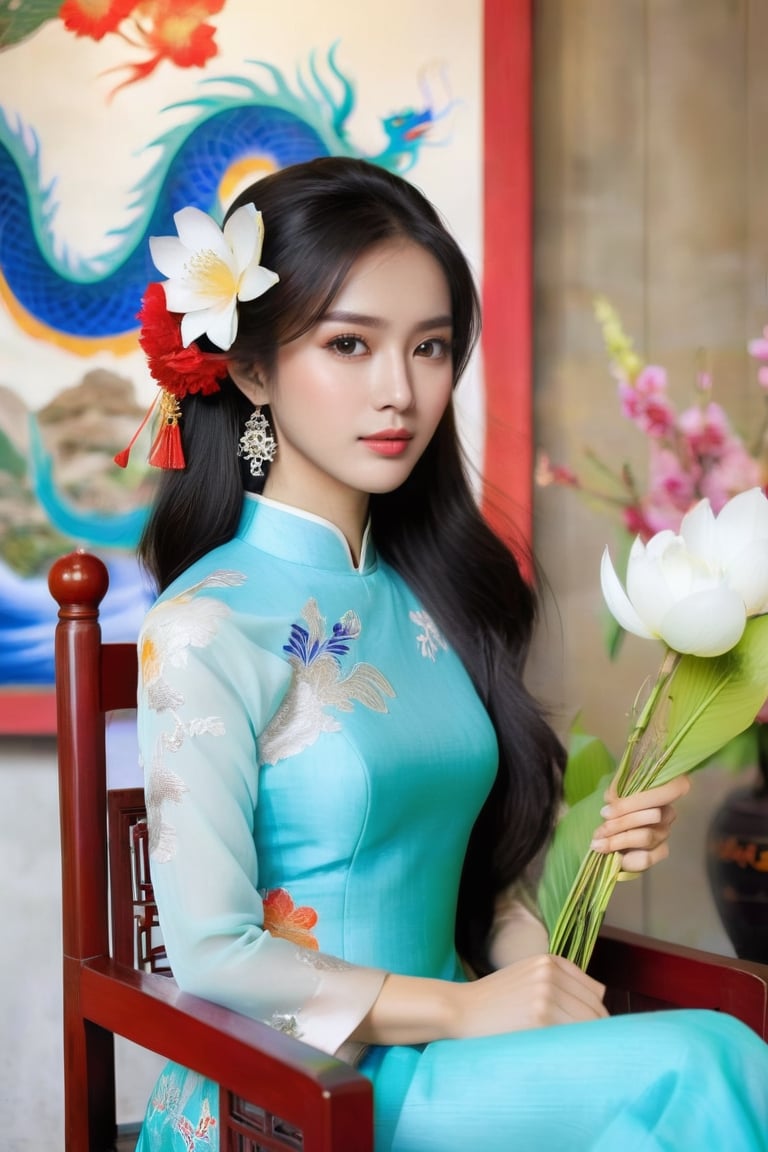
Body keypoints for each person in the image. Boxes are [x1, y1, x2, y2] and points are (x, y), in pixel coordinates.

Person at [131, 156, 768, 1151]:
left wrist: (570, 913)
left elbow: (477, 885)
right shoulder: (205, 624)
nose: (399, 392)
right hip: (299, 1089)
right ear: (252, 370)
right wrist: (467, 1011)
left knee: (707, 1063)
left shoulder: (432, 598)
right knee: (708, 1064)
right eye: (350, 344)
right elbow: (213, 953)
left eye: (429, 349)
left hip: (460, 1057)